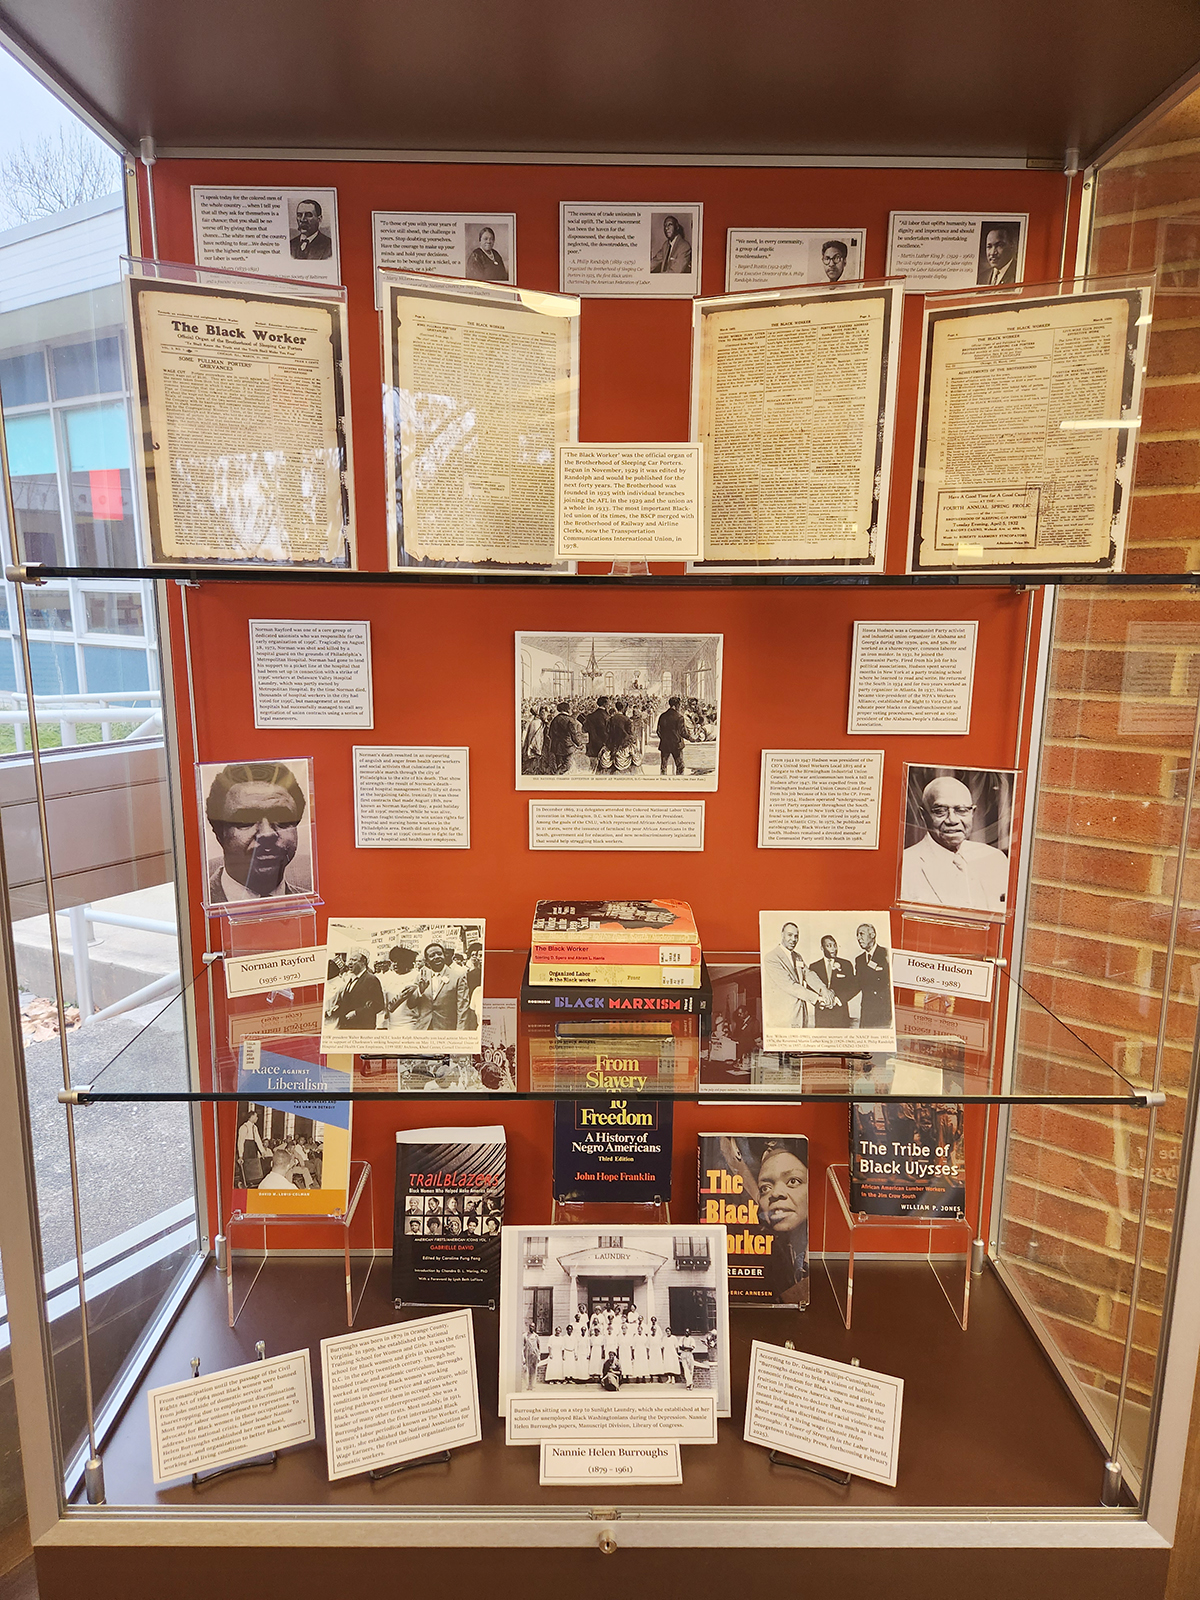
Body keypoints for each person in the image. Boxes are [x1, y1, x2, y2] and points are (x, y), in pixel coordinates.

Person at [901, 776, 1010, 913]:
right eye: (940, 811)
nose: (952, 820)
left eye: (961, 810)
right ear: (923, 815)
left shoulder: (995, 859)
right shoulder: (904, 866)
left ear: (972, 813)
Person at [204, 762, 308, 903]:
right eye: (245, 820)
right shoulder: (196, 902)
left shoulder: (309, 899)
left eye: (282, 817)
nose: (267, 833)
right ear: (219, 832)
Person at [763, 922, 832, 1030]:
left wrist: (823, 989)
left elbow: (808, 974)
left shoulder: (797, 956)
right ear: (782, 935)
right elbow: (790, 985)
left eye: (796, 936)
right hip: (783, 1019)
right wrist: (817, 998)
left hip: (801, 1016)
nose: (793, 939)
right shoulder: (772, 958)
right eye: (789, 935)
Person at [397, 941, 472, 1030]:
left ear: (444, 956)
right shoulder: (421, 977)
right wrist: (419, 991)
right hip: (423, 1029)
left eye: (439, 954)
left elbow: (462, 1009)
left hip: (446, 1029)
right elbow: (411, 1004)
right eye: (432, 955)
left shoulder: (457, 977)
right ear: (426, 961)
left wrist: (460, 1033)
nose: (436, 957)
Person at [325, 951, 384, 1030]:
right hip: (348, 1026)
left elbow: (378, 1005)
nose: (349, 963)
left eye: (354, 960)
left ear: (363, 962)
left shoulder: (371, 979)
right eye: (350, 960)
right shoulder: (351, 979)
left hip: (363, 1027)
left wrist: (356, 1013)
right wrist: (338, 1007)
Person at [852, 922, 893, 1028]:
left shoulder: (886, 954)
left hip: (884, 1013)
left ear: (873, 934)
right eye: (857, 935)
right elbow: (856, 985)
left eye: (861, 934)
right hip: (866, 1013)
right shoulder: (859, 960)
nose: (858, 938)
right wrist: (838, 997)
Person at [808, 935, 854, 1027]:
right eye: (829, 946)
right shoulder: (814, 967)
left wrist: (838, 999)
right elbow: (810, 989)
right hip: (822, 1016)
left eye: (835, 945)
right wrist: (821, 1002)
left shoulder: (846, 964)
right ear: (822, 948)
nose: (833, 949)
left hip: (841, 1016)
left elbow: (853, 987)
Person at [544, 700, 586, 775]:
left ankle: (557, 776)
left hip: (555, 746)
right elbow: (574, 735)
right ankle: (557, 775)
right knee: (567, 765)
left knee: (559, 764)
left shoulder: (555, 719)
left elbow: (550, 734)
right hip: (567, 747)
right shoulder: (570, 720)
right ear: (567, 709)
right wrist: (579, 744)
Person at [656, 695, 689, 776]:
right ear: (676, 705)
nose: (679, 707)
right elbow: (683, 732)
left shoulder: (662, 716)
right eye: (679, 705)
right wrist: (690, 737)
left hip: (665, 744)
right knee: (680, 766)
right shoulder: (679, 717)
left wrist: (664, 738)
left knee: (663, 767)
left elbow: (658, 731)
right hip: (676, 745)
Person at [236, 1107, 268, 1186]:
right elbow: (240, 1142)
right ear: (252, 1116)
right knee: (246, 1165)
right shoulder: (244, 1127)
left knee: (253, 1165)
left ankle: (252, 1181)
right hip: (246, 1148)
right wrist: (240, 1155)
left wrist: (262, 1152)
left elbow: (258, 1140)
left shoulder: (255, 1127)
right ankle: (242, 1182)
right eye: (256, 1116)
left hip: (253, 1148)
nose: (257, 1118)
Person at [605, 697, 636, 773]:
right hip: (624, 745)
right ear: (624, 709)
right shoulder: (627, 720)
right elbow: (631, 734)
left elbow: (607, 732)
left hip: (612, 745)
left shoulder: (610, 719)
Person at [583, 696, 611, 771]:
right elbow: (606, 731)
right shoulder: (606, 716)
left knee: (592, 768)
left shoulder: (590, 716)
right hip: (603, 746)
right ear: (605, 704)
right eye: (608, 704)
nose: (609, 705)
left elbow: (584, 729)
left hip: (592, 746)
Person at [523, 1323, 543, 1389]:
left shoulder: (536, 1336)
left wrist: (539, 1356)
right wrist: (523, 1357)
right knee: (527, 1370)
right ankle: (528, 1385)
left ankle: (533, 1384)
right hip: (527, 1355)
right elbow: (522, 1346)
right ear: (529, 1327)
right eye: (531, 1326)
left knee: (534, 1370)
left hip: (534, 1355)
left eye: (533, 1327)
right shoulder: (525, 1336)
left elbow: (539, 1347)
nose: (532, 1328)